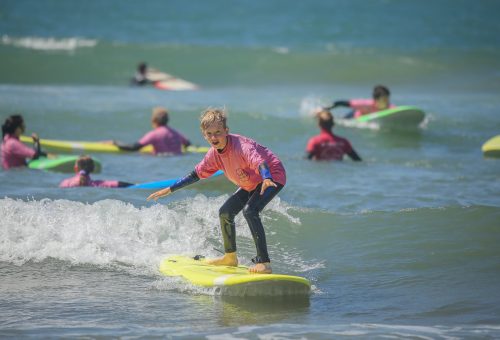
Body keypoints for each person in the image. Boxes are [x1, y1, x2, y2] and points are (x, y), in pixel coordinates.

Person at [146, 107, 286, 274]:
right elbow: (195, 174)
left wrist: (267, 177)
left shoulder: (242, 147)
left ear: (226, 131)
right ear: (204, 135)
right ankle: (230, 257)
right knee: (225, 212)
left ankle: (265, 263)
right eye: (209, 133)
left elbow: (259, 161)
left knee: (250, 211)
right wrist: (170, 189)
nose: (214, 137)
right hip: (250, 182)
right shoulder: (213, 155)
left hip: (272, 176)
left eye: (218, 132)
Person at [113, 107, 191, 155]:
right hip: (177, 157)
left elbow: (134, 148)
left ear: (154, 120)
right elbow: (188, 144)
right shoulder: (176, 133)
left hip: (160, 159)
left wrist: (116, 143)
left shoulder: (154, 134)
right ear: (167, 120)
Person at [59, 155, 132, 188]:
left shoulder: (65, 183)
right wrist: (134, 185)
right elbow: (116, 184)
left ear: (75, 168)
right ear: (92, 169)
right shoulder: (97, 184)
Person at [327, 85, 395, 119]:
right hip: (353, 116)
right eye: (384, 100)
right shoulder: (366, 104)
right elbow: (341, 103)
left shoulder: (390, 108)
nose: (387, 102)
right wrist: (326, 108)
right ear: (376, 100)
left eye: (387, 99)